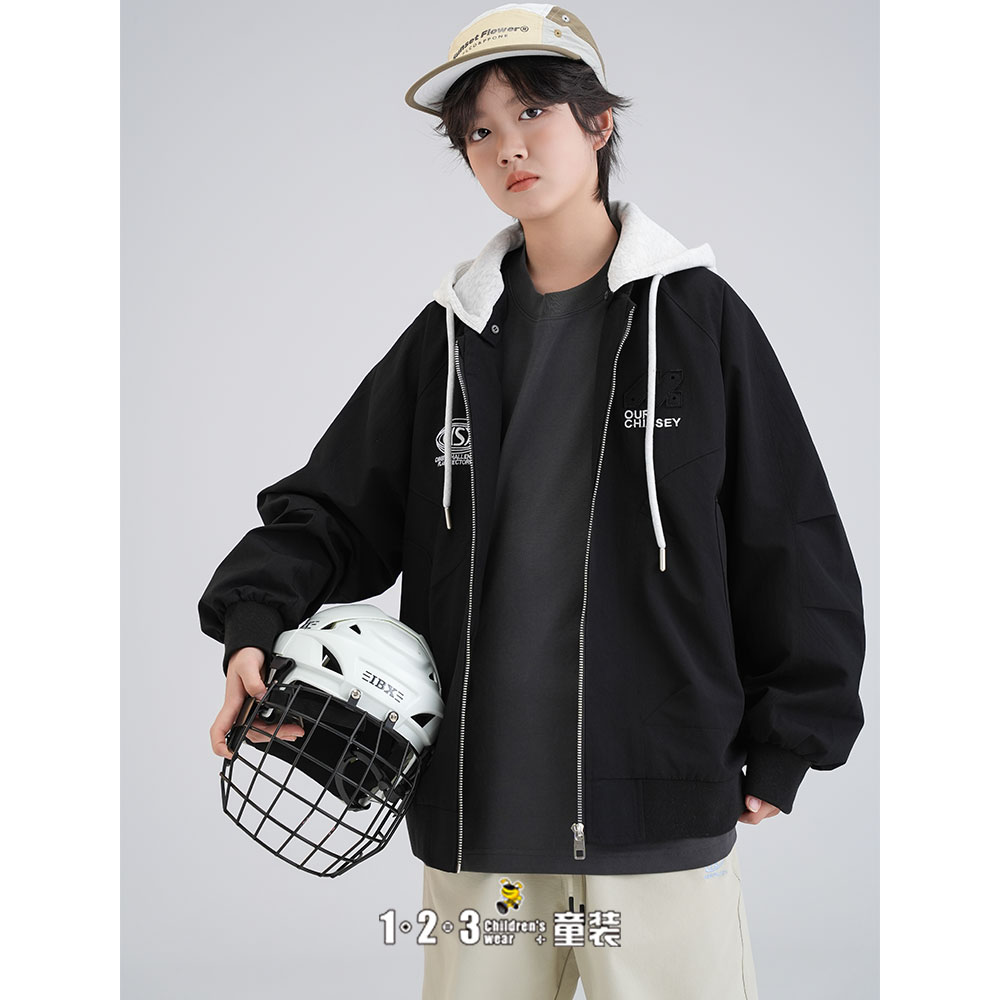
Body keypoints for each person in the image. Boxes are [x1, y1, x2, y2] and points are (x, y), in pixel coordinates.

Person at [199, 5, 866, 998]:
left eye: (533, 112)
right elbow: (332, 509)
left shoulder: (698, 321)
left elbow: (791, 534)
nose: (507, 145)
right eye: (478, 130)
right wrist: (253, 625)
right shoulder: (447, 339)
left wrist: (789, 739)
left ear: (598, 123)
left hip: (654, 806)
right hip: (481, 820)